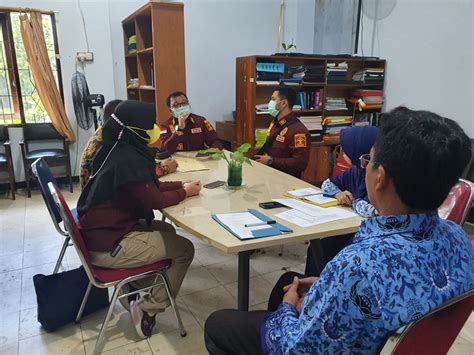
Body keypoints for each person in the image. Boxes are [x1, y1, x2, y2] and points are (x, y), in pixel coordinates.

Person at [204, 106, 473, 354]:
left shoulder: (357, 265)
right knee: (285, 284)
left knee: (219, 324)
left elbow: (297, 349)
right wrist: (326, 286)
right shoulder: (458, 239)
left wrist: (288, 308)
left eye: (369, 160)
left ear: (380, 177)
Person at [77, 100, 201, 339]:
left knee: (167, 229)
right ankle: (147, 310)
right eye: (151, 124)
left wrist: (181, 185)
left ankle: (136, 288)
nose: (156, 128)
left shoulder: (116, 149)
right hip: (108, 245)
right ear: (136, 130)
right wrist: (185, 192)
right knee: (185, 249)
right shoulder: (128, 161)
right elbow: (154, 200)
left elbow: (148, 187)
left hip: (102, 233)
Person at [304, 126, 379, 276]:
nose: (342, 154)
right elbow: (327, 184)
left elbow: (374, 211)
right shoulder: (356, 171)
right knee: (317, 247)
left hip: (366, 236)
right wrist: (338, 193)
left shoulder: (377, 177)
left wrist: (353, 202)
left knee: (331, 251)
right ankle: (313, 285)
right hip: (348, 228)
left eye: (346, 150)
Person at [79, 99, 178, 189]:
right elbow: (134, 175)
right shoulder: (110, 144)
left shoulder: (106, 133)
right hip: (107, 200)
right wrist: (166, 168)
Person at [253, 87, 310, 178]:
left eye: (273, 99)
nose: (270, 103)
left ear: (283, 103)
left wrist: (271, 160)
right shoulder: (275, 123)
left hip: (287, 178)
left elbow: (300, 163)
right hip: (271, 174)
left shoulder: (298, 130)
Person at [159, 91, 223, 153]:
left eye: (184, 103)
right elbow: (164, 150)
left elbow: (215, 141)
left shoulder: (201, 121)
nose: (181, 107)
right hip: (177, 162)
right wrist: (179, 129)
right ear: (170, 110)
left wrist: (210, 152)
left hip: (199, 160)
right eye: (176, 105)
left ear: (188, 105)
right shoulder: (164, 126)